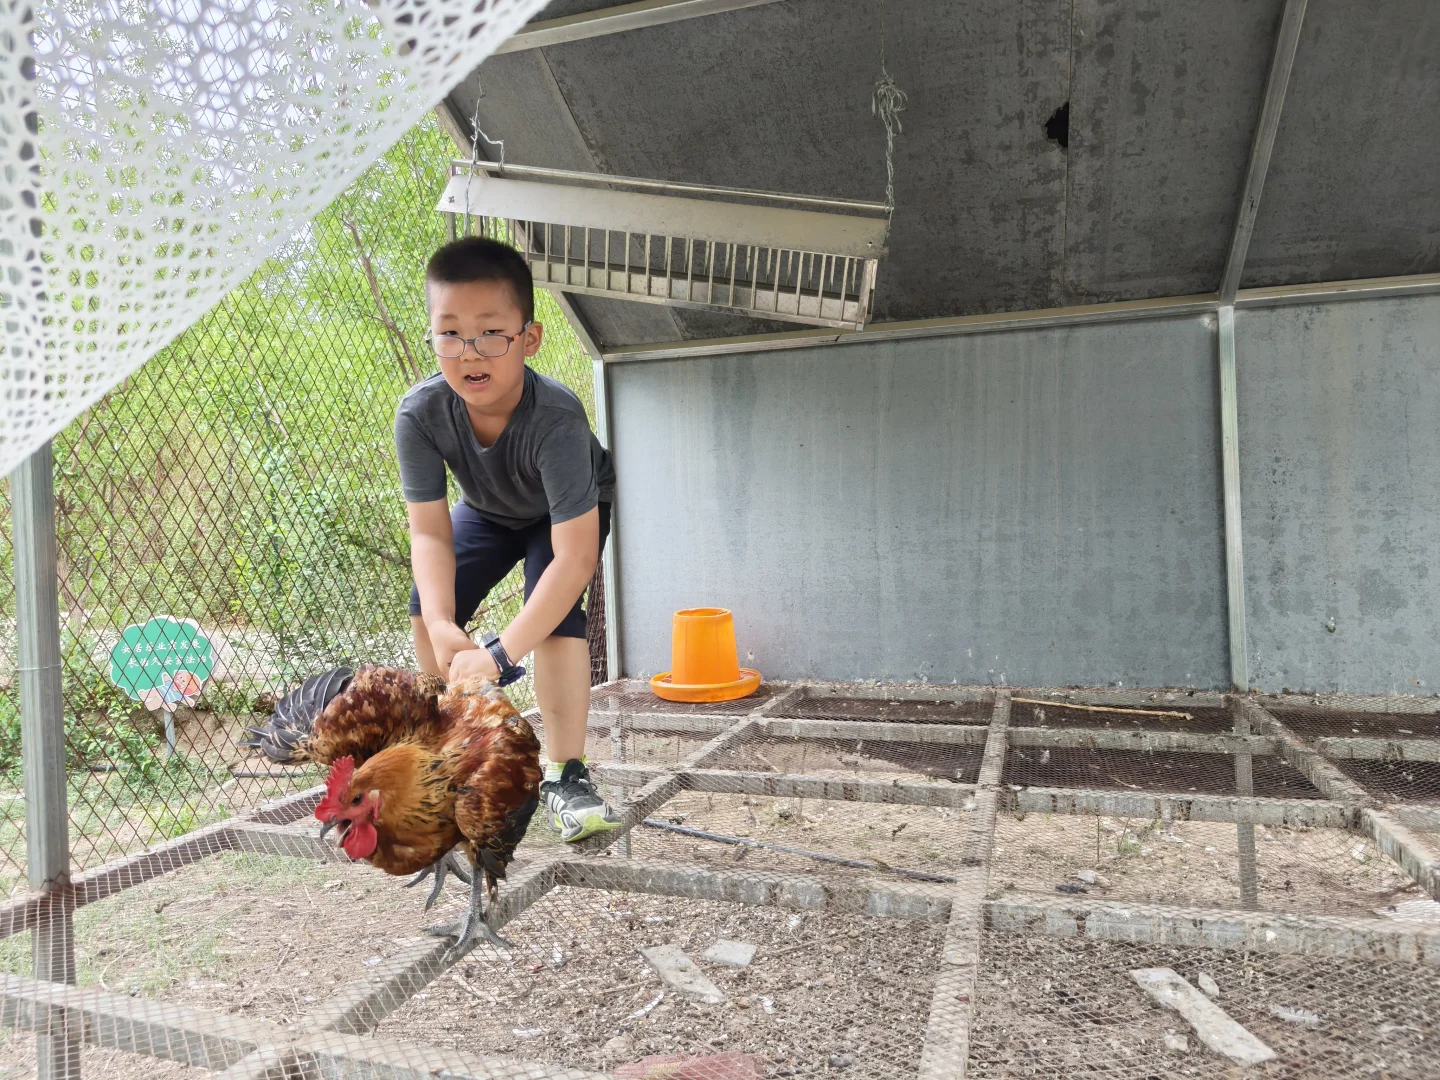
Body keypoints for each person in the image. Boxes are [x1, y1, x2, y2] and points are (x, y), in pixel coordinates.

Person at [393, 235, 620, 842]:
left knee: (556, 618)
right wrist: (444, 626)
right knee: (426, 605)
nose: (471, 351)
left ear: (529, 338)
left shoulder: (558, 420)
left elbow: (572, 558)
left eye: (492, 332)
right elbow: (430, 536)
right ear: (433, 336)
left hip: (564, 516)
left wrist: (496, 657)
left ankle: (567, 776)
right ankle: (449, 755)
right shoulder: (419, 414)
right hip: (488, 508)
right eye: (450, 333)